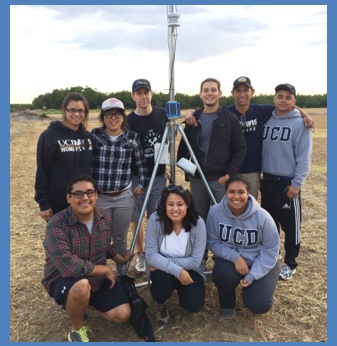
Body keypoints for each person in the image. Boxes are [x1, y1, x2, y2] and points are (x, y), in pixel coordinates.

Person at [184, 76, 314, 199]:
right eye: (238, 91)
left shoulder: (261, 111)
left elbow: (284, 105)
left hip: (251, 171)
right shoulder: (226, 112)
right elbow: (205, 109)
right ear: (232, 92)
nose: (242, 94)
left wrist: (305, 115)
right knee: (230, 207)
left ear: (252, 92)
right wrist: (190, 113)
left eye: (246, 90)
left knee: (248, 209)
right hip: (228, 170)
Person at [42, 173, 134, 342]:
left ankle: (82, 304)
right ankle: (77, 330)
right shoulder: (57, 223)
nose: (85, 198)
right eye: (78, 194)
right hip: (63, 278)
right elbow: (67, 265)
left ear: (96, 195)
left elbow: (104, 244)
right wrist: (104, 269)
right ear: (68, 198)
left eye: (90, 193)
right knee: (81, 286)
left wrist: (120, 259)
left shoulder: (104, 216)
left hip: (96, 280)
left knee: (122, 314)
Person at [177, 77, 247, 265]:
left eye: (213, 90)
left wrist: (229, 175)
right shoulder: (193, 120)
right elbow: (182, 150)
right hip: (198, 181)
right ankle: (199, 260)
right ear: (200, 94)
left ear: (220, 94)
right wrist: (188, 172)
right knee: (198, 221)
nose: (209, 93)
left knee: (222, 222)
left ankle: (222, 260)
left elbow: (240, 149)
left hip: (221, 181)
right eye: (206, 90)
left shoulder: (230, 119)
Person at [206, 176, 280, 319]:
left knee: (259, 305)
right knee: (222, 274)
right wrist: (235, 257)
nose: (236, 196)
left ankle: (257, 289)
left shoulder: (263, 217)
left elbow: (271, 249)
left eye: (241, 192)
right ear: (226, 193)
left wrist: (252, 275)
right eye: (231, 192)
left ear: (248, 193)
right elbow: (213, 242)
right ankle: (227, 302)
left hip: (260, 260)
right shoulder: (215, 212)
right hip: (231, 260)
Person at [260, 83, 312, 280]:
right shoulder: (267, 119)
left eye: (288, 97)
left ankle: (290, 263)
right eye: (280, 96)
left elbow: (304, 157)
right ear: (274, 98)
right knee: (270, 224)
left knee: (291, 227)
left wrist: (296, 184)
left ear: (294, 101)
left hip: (287, 183)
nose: (283, 100)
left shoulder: (300, 124)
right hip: (268, 181)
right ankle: (272, 257)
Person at [91, 97, 148, 275]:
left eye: (117, 114)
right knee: (99, 238)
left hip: (124, 196)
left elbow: (141, 163)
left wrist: (142, 184)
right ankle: (100, 275)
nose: (113, 118)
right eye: (109, 114)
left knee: (120, 238)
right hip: (100, 197)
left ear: (123, 117)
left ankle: (122, 275)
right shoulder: (94, 135)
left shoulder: (131, 137)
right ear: (103, 117)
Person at [145, 184, 207, 327]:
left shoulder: (198, 223)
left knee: (194, 305)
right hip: (163, 273)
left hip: (188, 270)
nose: (175, 209)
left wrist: (163, 262)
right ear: (164, 205)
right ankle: (160, 304)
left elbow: (196, 261)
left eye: (180, 204)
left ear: (187, 205)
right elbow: (150, 255)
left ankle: (181, 288)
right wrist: (178, 271)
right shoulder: (155, 220)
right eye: (170, 204)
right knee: (162, 282)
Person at [127, 79, 167, 273]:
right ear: (133, 96)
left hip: (158, 176)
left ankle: (155, 252)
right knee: (136, 217)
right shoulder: (128, 121)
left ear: (151, 94)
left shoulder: (162, 113)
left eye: (146, 92)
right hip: (135, 177)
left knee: (156, 216)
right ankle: (141, 253)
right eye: (139, 93)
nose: (143, 96)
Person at [35, 92, 93, 222]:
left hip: (84, 202)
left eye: (80, 111)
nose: (77, 114)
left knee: (83, 240)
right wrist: (43, 203)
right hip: (59, 202)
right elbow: (42, 170)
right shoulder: (49, 136)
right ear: (64, 110)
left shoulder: (88, 137)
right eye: (72, 110)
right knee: (59, 241)